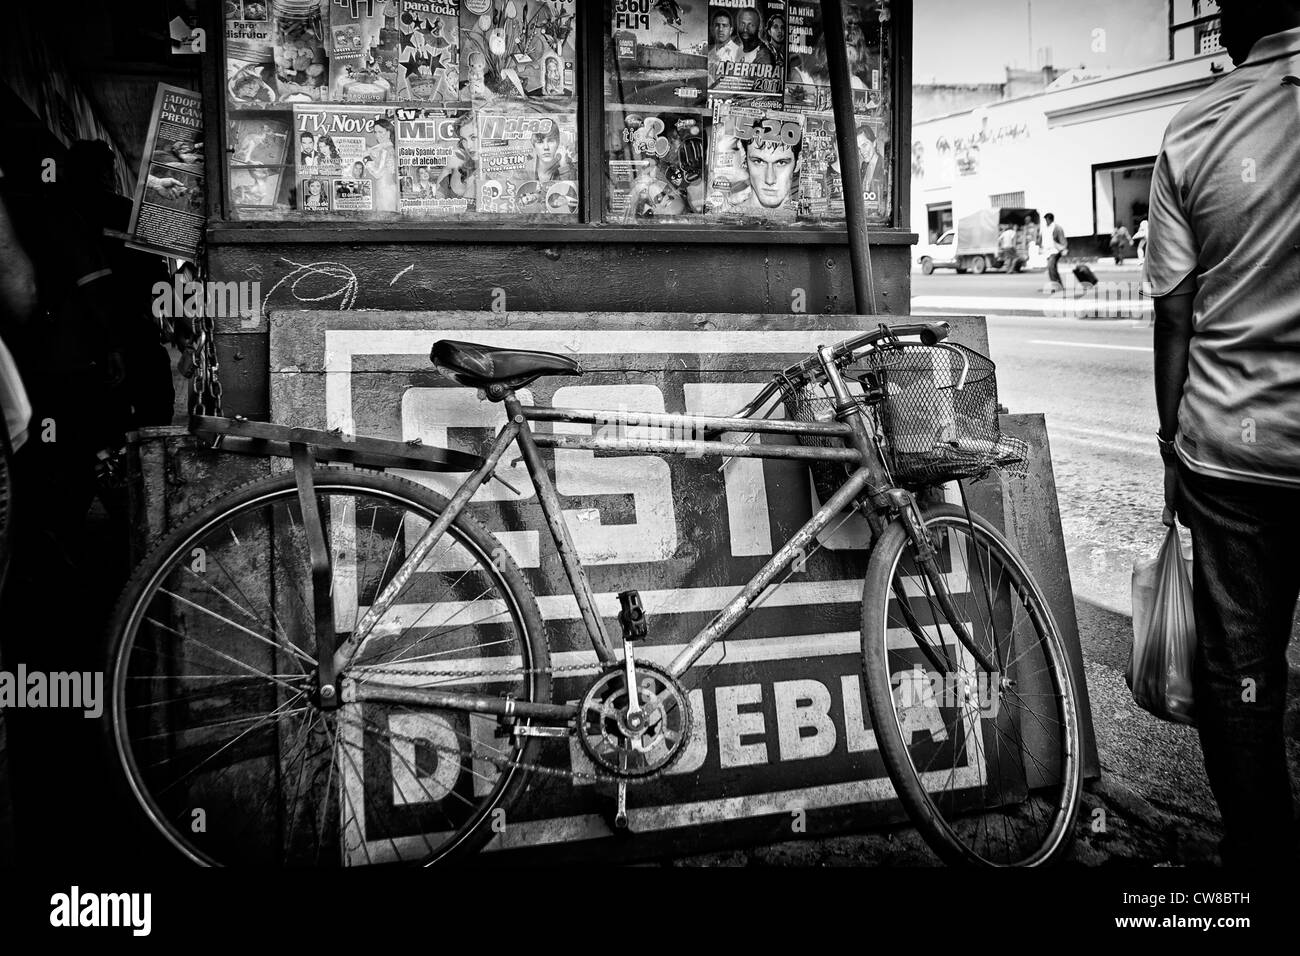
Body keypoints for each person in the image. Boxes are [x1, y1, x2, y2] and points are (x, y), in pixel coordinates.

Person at [1148, 0, 1300, 867]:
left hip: (1233, 463)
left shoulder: (1197, 127)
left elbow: (1174, 314)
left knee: (1242, 677)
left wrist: (1171, 444)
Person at [1041, 212, 1068, 293]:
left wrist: (1063, 248)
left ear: (1050, 219)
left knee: (1051, 267)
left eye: (1047, 219)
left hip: (1055, 250)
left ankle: (1057, 286)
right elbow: (1043, 238)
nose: (1046, 221)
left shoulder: (1056, 227)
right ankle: (1058, 285)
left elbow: (1062, 238)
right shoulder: (1045, 228)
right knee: (1052, 269)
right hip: (1047, 251)